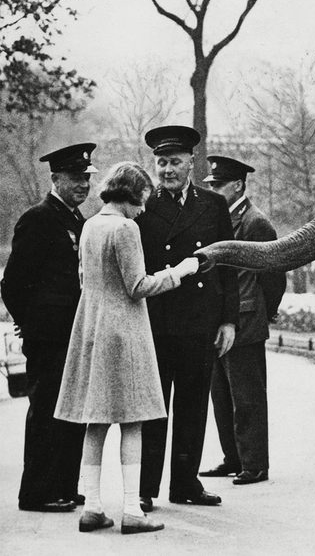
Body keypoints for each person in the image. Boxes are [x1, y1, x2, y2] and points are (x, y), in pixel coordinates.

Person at [54, 162, 200, 534]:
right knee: (134, 420)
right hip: (124, 333)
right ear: (132, 194)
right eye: (143, 200)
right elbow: (138, 286)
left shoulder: (89, 225)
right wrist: (180, 271)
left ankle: (92, 506)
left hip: (92, 329)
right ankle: (133, 510)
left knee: (96, 421)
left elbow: (87, 279)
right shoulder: (125, 227)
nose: (144, 209)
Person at [137, 126, 239, 511]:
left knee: (194, 406)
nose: (167, 170)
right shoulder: (143, 205)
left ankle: (185, 483)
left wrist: (228, 320)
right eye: (161, 162)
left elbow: (227, 264)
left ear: (191, 163)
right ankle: (145, 488)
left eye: (175, 162)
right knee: (154, 407)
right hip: (157, 323)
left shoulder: (213, 205)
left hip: (200, 323)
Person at [1, 143, 97, 513]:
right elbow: (12, 284)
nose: (82, 185)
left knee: (72, 412)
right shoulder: (38, 219)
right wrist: (32, 325)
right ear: (55, 178)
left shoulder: (79, 222)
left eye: (86, 178)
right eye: (74, 178)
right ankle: (37, 492)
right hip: (49, 340)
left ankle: (64, 487)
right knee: (45, 413)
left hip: (75, 336)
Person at [199, 156, 286, 486]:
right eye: (212, 186)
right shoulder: (221, 219)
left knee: (247, 397)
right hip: (220, 321)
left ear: (238, 185)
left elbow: (275, 273)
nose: (215, 191)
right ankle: (233, 458)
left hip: (246, 323)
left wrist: (264, 311)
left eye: (219, 185)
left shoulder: (255, 223)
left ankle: (255, 464)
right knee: (221, 395)